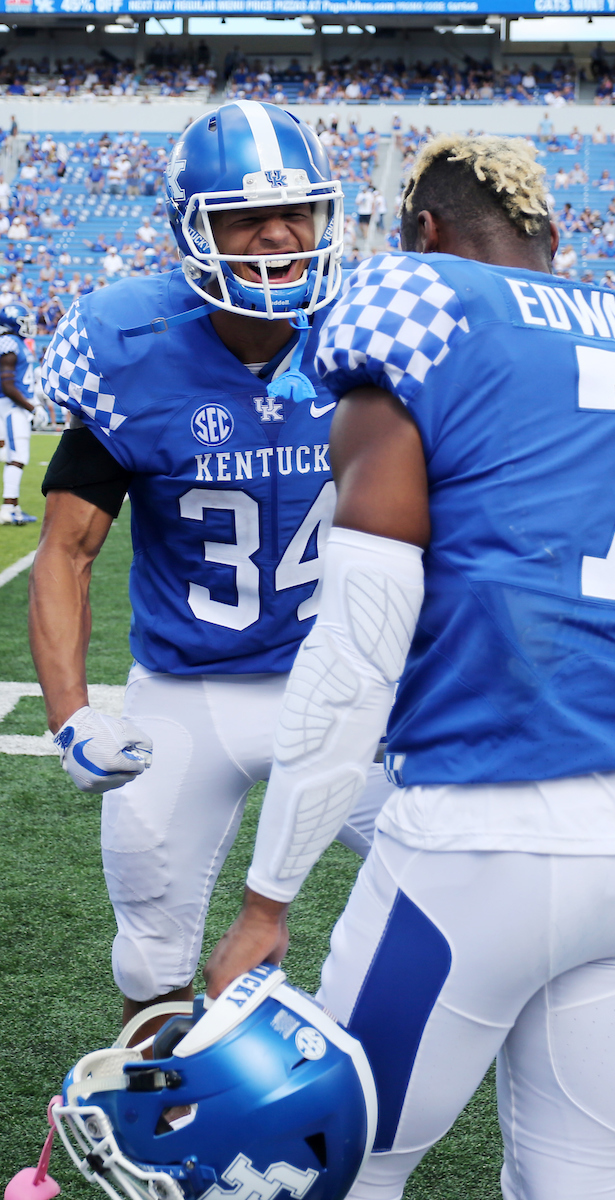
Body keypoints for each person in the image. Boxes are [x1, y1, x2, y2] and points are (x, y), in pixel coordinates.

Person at [205, 133, 615, 1200]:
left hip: (471, 846)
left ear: (423, 232)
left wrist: (266, 902)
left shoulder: (426, 316)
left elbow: (354, 657)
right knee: (578, 1183)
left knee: (331, 1174)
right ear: (551, 236)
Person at [30, 101, 392, 1042]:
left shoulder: (370, 329)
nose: (278, 235)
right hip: (189, 688)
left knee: (453, 880)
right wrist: (71, 716)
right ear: (193, 230)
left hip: (345, 682)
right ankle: (156, 1108)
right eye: (245, 217)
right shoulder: (130, 343)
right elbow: (67, 550)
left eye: (296, 212)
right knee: (151, 951)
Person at [0, 303, 48, 525]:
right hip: (12, 407)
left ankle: (13, 507)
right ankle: (7, 509)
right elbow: (8, 385)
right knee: (17, 457)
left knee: (16, 457)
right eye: (23, 321)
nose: (28, 325)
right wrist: (33, 407)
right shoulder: (8, 342)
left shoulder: (18, 342)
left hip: (17, 406)